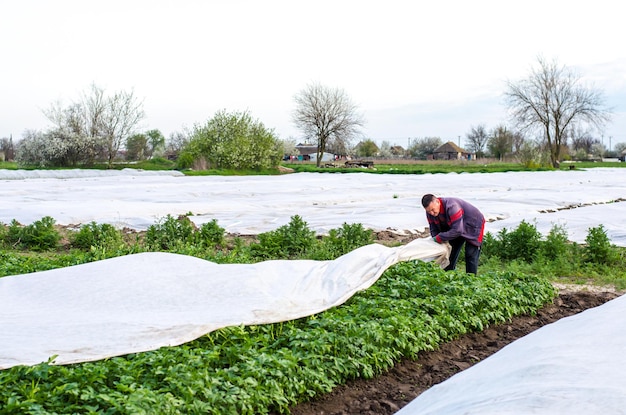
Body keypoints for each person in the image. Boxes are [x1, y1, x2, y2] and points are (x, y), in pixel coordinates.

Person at [421, 194, 485, 274]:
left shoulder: (452, 206)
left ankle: (471, 280)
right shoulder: (430, 213)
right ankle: (449, 276)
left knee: (470, 253)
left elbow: (458, 231)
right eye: (429, 211)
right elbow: (434, 229)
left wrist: (439, 237)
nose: (432, 213)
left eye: (433, 210)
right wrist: (437, 240)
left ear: (438, 202)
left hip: (472, 224)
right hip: (454, 226)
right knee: (450, 251)